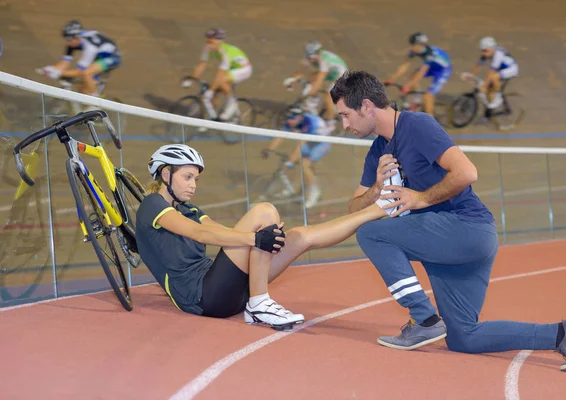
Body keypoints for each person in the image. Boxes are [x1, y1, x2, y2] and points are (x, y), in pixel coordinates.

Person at [329, 70, 566, 372]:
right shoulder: (378, 151)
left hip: (466, 229)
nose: (345, 125)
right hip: (446, 245)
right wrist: (375, 189)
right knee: (464, 337)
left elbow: (467, 172)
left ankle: (424, 319)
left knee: (373, 233)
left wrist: (421, 198)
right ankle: (561, 334)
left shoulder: (416, 125)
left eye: (346, 115)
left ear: (367, 107)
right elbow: (353, 208)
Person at [135, 143, 388, 330]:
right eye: (187, 177)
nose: (193, 185)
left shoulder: (189, 209)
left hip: (227, 291)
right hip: (202, 297)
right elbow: (200, 233)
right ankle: (259, 304)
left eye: (196, 179)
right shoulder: (153, 204)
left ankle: (378, 210)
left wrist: (265, 238)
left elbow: (223, 233)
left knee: (299, 236)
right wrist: (256, 239)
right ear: (166, 174)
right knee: (264, 211)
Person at [261, 105, 335, 208]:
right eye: (289, 119)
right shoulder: (292, 121)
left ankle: (314, 192)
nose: (290, 121)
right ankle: (292, 187)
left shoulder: (309, 122)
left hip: (322, 143)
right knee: (292, 159)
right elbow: (281, 136)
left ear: (300, 117)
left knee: (304, 164)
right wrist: (269, 149)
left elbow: (301, 145)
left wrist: (291, 161)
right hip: (311, 140)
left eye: (292, 119)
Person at [181, 28, 252, 122]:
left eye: (211, 42)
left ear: (219, 42)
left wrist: (210, 91)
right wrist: (191, 79)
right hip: (231, 69)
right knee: (214, 89)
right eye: (207, 41)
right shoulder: (207, 48)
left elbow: (220, 75)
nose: (208, 44)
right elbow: (201, 65)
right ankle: (212, 117)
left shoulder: (225, 52)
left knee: (219, 82)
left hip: (243, 69)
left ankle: (232, 102)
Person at [39, 20, 121, 97]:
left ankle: (96, 102)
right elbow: (64, 63)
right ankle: (91, 97)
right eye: (66, 39)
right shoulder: (73, 43)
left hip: (111, 57)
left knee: (87, 73)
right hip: (98, 56)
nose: (67, 42)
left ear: (77, 37)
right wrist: (51, 69)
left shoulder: (90, 47)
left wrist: (59, 73)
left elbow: (80, 71)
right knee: (82, 89)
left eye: (69, 40)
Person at [384, 32, 452, 117]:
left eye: (413, 45)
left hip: (443, 70)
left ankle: (431, 122)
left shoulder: (429, 54)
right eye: (412, 45)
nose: (412, 47)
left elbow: (421, 73)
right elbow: (404, 67)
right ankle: (417, 100)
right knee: (412, 76)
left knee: (428, 96)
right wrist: (391, 79)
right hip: (432, 66)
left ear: (420, 45)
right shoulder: (414, 51)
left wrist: (408, 86)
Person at [283, 40, 347, 127]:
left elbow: (319, 80)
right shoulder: (310, 57)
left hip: (340, 74)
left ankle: (330, 122)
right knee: (310, 78)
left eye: (311, 57)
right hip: (330, 72)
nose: (310, 59)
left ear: (318, 54)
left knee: (328, 95)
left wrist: (310, 94)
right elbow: (300, 72)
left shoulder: (323, 60)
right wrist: (291, 79)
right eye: (309, 57)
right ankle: (314, 101)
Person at [464, 36, 519, 109]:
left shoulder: (498, 55)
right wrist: (471, 75)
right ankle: (490, 112)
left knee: (493, 77)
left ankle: (498, 97)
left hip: (511, 69)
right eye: (482, 50)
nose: (483, 53)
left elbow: (491, 73)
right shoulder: (487, 52)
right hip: (501, 69)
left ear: (492, 48)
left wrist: (484, 87)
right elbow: (478, 65)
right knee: (489, 91)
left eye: (485, 51)